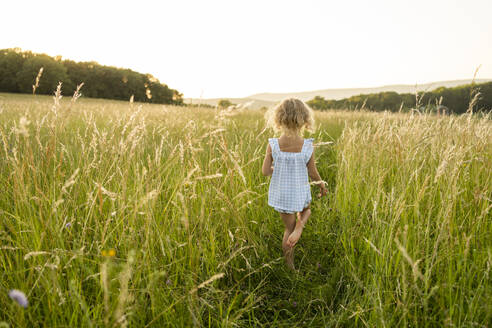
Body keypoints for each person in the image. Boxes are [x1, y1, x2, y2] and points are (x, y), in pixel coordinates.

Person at [262, 98, 327, 270]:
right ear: (304, 119)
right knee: (306, 211)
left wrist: (278, 169)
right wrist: (321, 185)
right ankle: (301, 225)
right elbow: (313, 173)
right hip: (301, 192)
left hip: (282, 195)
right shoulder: (307, 145)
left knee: (288, 231)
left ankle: (290, 266)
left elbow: (265, 171)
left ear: (279, 119)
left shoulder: (273, 144)